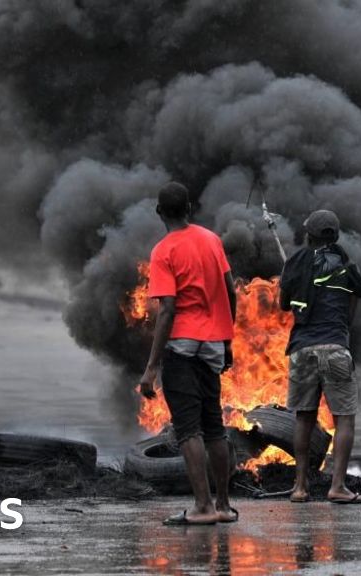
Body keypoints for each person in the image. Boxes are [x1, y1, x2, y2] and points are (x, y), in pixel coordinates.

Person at [139, 182, 238, 525]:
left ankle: (202, 507)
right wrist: (227, 339)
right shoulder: (211, 239)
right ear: (190, 208)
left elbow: (167, 309)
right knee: (214, 427)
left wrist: (152, 367)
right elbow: (230, 291)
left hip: (182, 345)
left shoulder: (163, 251)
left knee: (188, 429)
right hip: (213, 344)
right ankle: (224, 506)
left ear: (159, 212)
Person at [279, 209, 361, 504]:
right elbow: (350, 313)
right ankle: (337, 487)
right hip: (335, 348)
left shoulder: (296, 262)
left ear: (308, 235)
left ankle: (300, 487)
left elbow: (285, 305)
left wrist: (297, 285)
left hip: (302, 349)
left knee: (303, 419)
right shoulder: (346, 266)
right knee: (344, 419)